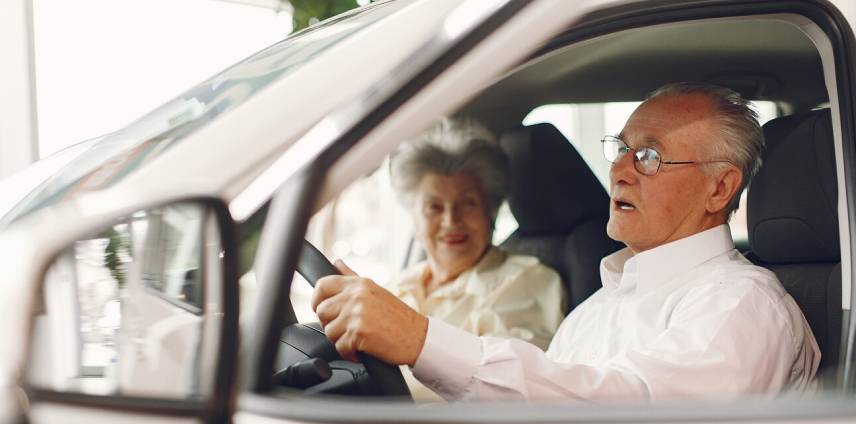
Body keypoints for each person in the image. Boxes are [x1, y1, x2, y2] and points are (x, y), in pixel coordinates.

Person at [312, 83, 820, 402]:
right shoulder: (595, 309)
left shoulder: (742, 305)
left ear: (720, 188)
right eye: (621, 149)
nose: (619, 171)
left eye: (648, 156)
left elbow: (631, 416)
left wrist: (420, 340)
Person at [388, 117, 565, 400]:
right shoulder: (400, 285)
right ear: (415, 220)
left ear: (490, 213)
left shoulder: (526, 282)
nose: (451, 221)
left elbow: (509, 390)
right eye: (434, 207)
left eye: (468, 204)